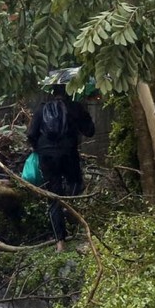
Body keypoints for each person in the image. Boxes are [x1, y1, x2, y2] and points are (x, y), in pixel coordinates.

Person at [26, 82, 96, 251]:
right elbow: (90, 131)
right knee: (75, 184)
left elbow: (30, 134)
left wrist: (39, 149)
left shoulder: (41, 109)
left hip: (47, 157)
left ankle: (60, 243)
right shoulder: (75, 107)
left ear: (52, 92)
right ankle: (71, 214)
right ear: (70, 91)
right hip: (69, 154)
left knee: (54, 196)